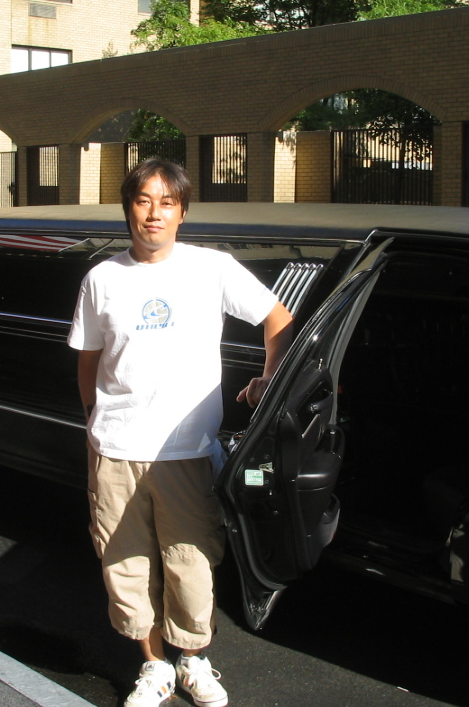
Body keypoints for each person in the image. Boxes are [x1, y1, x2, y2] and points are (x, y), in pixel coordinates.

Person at [67, 159, 294, 707]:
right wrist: (96, 421)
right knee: (125, 564)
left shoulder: (212, 269)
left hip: (188, 451)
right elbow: (89, 360)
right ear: (128, 209)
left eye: (167, 202)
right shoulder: (101, 279)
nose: (154, 213)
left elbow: (277, 319)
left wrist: (269, 380)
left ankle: (193, 659)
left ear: (182, 212)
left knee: (191, 565)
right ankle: (154, 666)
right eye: (144, 200)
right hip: (116, 451)